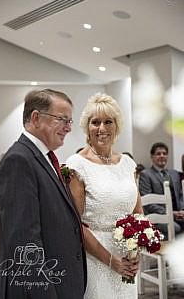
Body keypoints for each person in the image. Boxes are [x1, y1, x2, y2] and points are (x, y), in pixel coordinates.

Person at [0, 89, 87, 299]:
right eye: (62, 119)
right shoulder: (19, 160)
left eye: (70, 121)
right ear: (36, 118)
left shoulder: (43, 158)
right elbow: (24, 242)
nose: (68, 128)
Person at [66, 93, 143, 299]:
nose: (102, 128)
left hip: (127, 257)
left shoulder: (128, 164)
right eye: (95, 122)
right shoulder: (76, 166)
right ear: (87, 127)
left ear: (116, 126)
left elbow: (138, 214)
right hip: (95, 259)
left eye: (108, 122)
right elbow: (75, 224)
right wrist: (111, 260)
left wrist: (136, 252)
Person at [139, 142, 184, 238]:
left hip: (178, 214)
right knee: (177, 228)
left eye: (164, 153)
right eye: (158, 154)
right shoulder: (146, 174)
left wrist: (182, 210)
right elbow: (148, 204)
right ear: (152, 157)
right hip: (159, 215)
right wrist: (170, 213)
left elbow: (180, 196)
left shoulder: (174, 173)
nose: (162, 156)